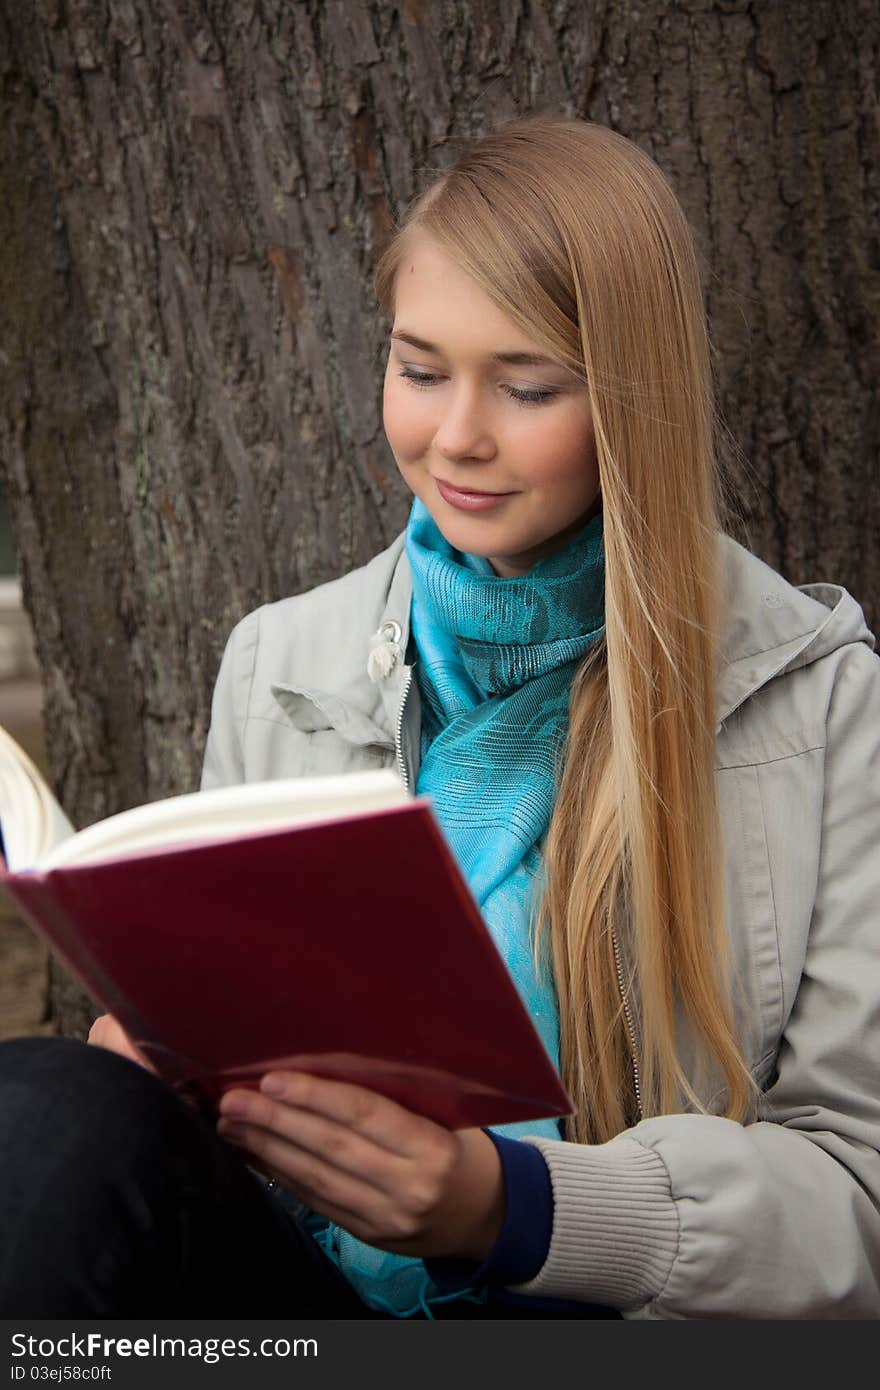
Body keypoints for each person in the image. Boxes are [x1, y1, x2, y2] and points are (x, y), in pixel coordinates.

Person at [1, 113, 878, 1320]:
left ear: (635, 399)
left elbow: (862, 1205)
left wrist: (504, 1204)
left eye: (525, 386)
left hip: (614, 1313)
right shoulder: (280, 662)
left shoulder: (819, 703)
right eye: (419, 369)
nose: (456, 435)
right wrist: (174, 1080)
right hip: (317, 1301)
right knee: (51, 1111)